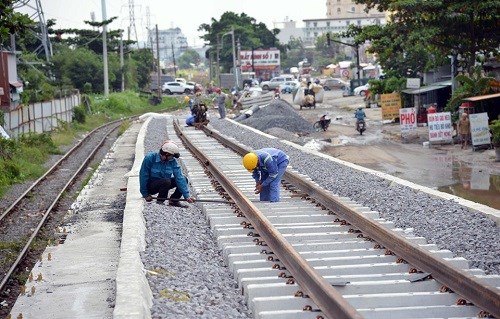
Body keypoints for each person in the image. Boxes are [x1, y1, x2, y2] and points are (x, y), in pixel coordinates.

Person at [139, 140, 194, 207]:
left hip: (164, 183)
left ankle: (174, 200)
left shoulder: (172, 162)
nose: (172, 158)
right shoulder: (150, 158)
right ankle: (160, 201)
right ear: (166, 154)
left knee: (184, 179)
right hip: (151, 186)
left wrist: (187, 196)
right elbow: (143, 176)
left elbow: (179, 177)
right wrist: (145, 194)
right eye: (172, 156)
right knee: (166, 181)